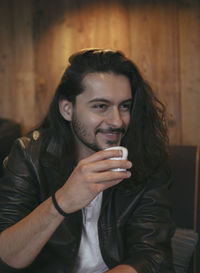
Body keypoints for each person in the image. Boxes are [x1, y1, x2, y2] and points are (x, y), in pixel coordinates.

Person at [0, 49, 175, 273]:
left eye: (124, 106)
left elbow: (152, 256)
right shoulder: (29, 155)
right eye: (100, 106)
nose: (117, 121)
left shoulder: (146, 158)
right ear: (67, 109)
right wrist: (62, 201)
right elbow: (6, 257)